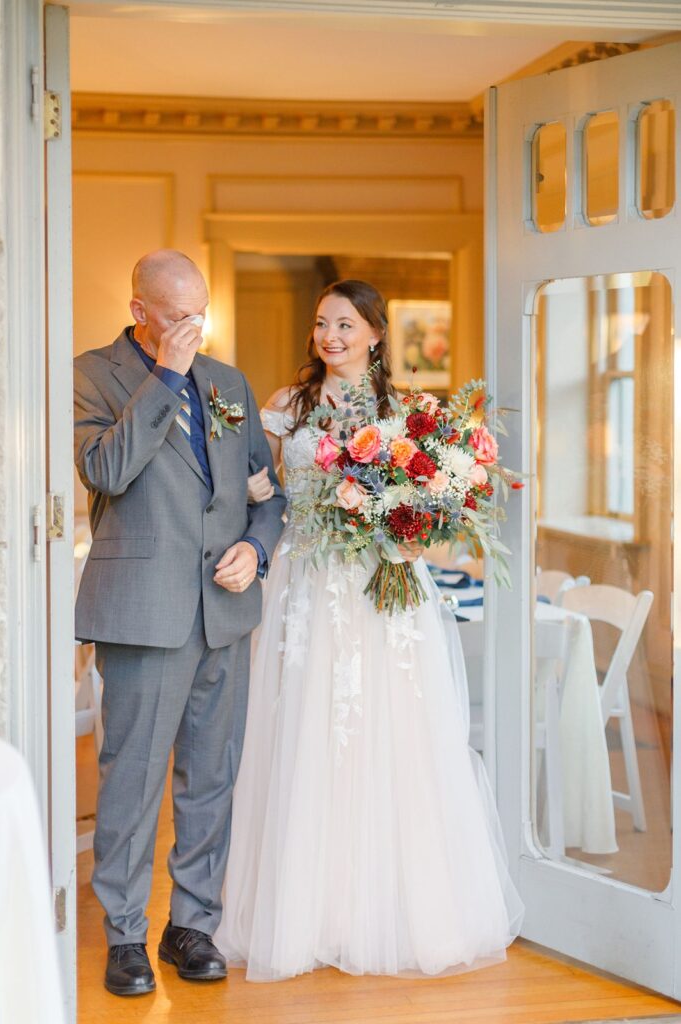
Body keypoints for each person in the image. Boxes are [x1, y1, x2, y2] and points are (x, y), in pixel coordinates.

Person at [216, 279, 524, 981]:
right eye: (321, 323)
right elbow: (255, 495)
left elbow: (439, 502)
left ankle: (396, 911)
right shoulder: (283, 410)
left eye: (345, 324)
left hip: (384, 593)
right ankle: (303, 912)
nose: (330, 336)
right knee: (303, 734)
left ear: (376, 334)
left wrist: (414, 530)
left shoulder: (412, 415)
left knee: (396, 734)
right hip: (307, 587)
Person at [74, 250, 285, 997]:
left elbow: (268, 493)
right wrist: (165, 373)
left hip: (224, 614)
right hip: (142, 612)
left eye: (201, 314)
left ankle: (191, 924)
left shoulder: (229, 384)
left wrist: (254, 549)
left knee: (211, 779)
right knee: (130, 782)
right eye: (177, 316)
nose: (194, 328)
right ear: (140, 311)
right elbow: (107, 470)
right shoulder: (92, 374)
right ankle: (125, 936)